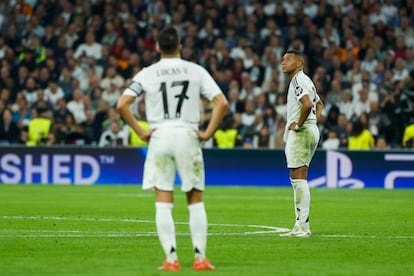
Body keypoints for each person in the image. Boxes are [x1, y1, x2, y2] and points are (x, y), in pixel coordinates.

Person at [116, 26, 228, 271]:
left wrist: (141, 132)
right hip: (187, 134)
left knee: (163, 200)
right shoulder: (196, 70)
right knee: (195, 199)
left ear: (157, 48)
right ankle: (200, 258)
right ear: (180, 46)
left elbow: (123, 104)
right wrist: (207, 133)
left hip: (160, 136)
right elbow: (222, 102)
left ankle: (171, 259)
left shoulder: (148, 73)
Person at [279, 50, 323, 238]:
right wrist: (313, 122)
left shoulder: (298, 80)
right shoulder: (307, 81)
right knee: (297, 176)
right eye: (282, 59)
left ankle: (303, 227)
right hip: (309, 130)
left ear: (299, 63)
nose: (283, 62)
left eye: (288, 59)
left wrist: (300, 123)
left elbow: (306, 104)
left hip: (302, 132)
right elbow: (319, 104)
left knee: (298, 178)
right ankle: (299, 225)